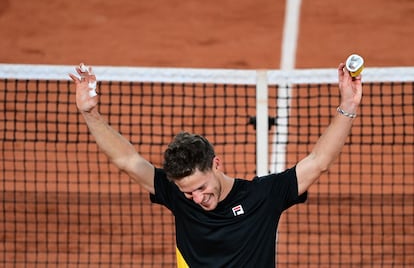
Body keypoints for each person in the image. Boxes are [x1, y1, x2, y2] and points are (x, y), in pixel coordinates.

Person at [69, 61, 362, 267]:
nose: (197, 198)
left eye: (200, 187)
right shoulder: (176, 193)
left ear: (217, 164)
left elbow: (318, 162)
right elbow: (127, 160)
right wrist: (90, 114)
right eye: (188, 193)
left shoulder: (263, 196)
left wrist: (348, 106)